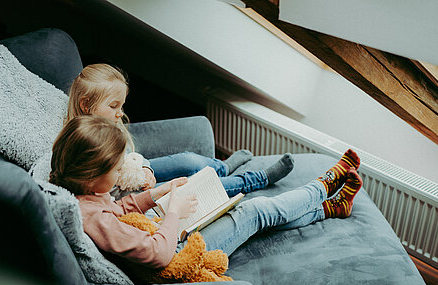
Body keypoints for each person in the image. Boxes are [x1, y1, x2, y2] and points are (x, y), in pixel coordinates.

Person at [49, 115, 363, 272]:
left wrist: (160, 193)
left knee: (224, 198)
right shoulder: (92, 219)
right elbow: (156, 254)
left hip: (163, 230)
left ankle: (330, 208)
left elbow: (117, 208)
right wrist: (174, 212)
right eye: (116, 172)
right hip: (178, 253)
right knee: (253, 212)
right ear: (91, 177)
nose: (121, 177)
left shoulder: (84, 195)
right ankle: (323, 185)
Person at [66, 63, 294, 198]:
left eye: (122, 105)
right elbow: (103, 187)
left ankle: (223, 166)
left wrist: (144, 167)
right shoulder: (82, 140)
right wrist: (141, 184)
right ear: (86, 105)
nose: (120, 113)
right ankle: (256, 179)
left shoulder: (108, 123)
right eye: (114, 106)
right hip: (127, 191)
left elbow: (131, 157)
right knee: (190, 186)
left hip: (134, 172)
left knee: (188, 161)